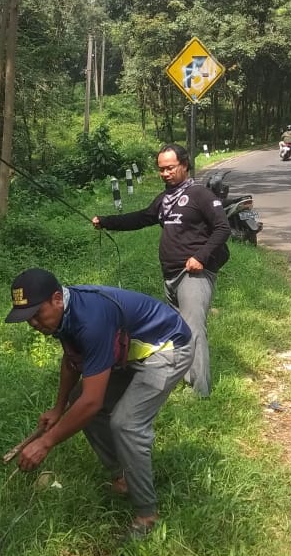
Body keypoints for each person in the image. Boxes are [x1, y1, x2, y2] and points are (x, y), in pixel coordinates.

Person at [5, 267, 193, 538]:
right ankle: (125, 476)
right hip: (130, 353)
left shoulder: (90, 320)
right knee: (78, 401)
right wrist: (59, 408)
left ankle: (147, 515)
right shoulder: (64, 315)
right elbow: (72, 359)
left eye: (36, 314)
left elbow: (91, 402)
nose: (33, 323)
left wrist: (45, 443)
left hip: (167, 348)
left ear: (57, 299)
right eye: (27, 318)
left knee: (126, 424)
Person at [91, 143, 229, 397]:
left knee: (193, 330)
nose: (165, 173)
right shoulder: (165, 199)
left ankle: (200, 392)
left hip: (194, 275)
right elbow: (142, 217)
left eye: (170, 168)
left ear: (185, 165)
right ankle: (184, 379)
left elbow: (222, 228)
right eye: (161, 169)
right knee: (178, 331)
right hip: (171, 276)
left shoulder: (200, 194)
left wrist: (200, 256)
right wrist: (106, 222)